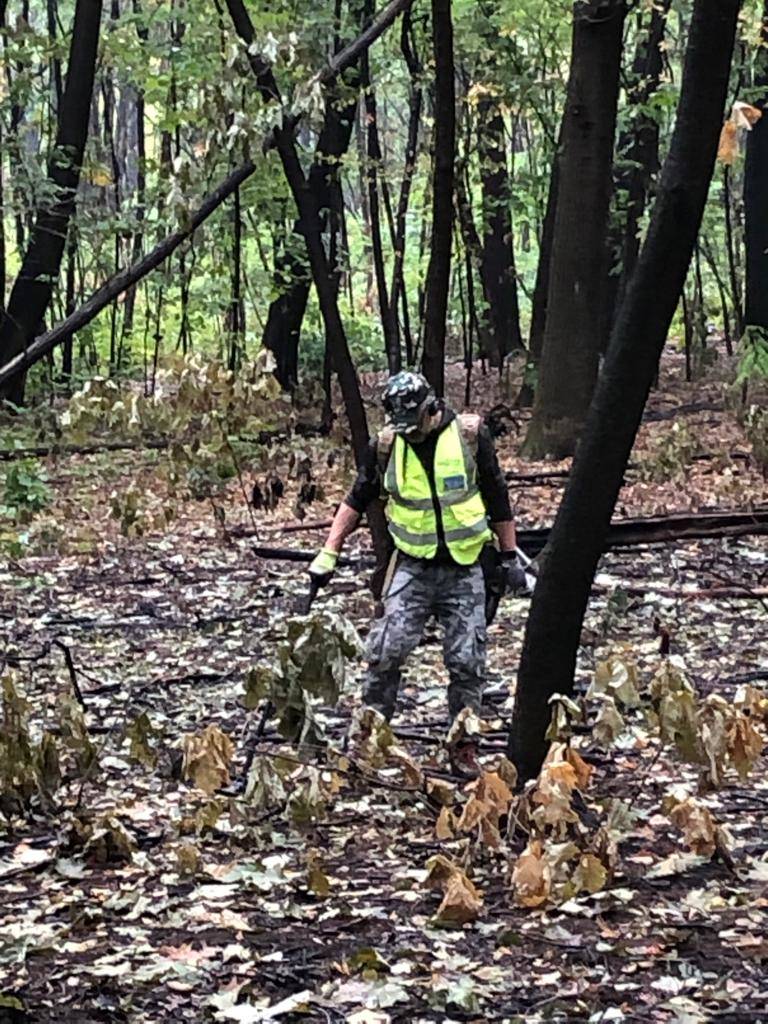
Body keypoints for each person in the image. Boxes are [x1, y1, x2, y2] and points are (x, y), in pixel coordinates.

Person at [308, 371, 525, 775]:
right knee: (385, 652)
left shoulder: (469, 438)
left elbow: (497, 496)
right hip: (412, 566)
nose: (412, 434)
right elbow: (357, 497)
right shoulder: (388, 446)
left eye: (416, 425)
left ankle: (463, 746)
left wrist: (509, 555)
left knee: (467, 660)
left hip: (465, 565)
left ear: (432, 407)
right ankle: (368, 739)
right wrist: (329, 551)